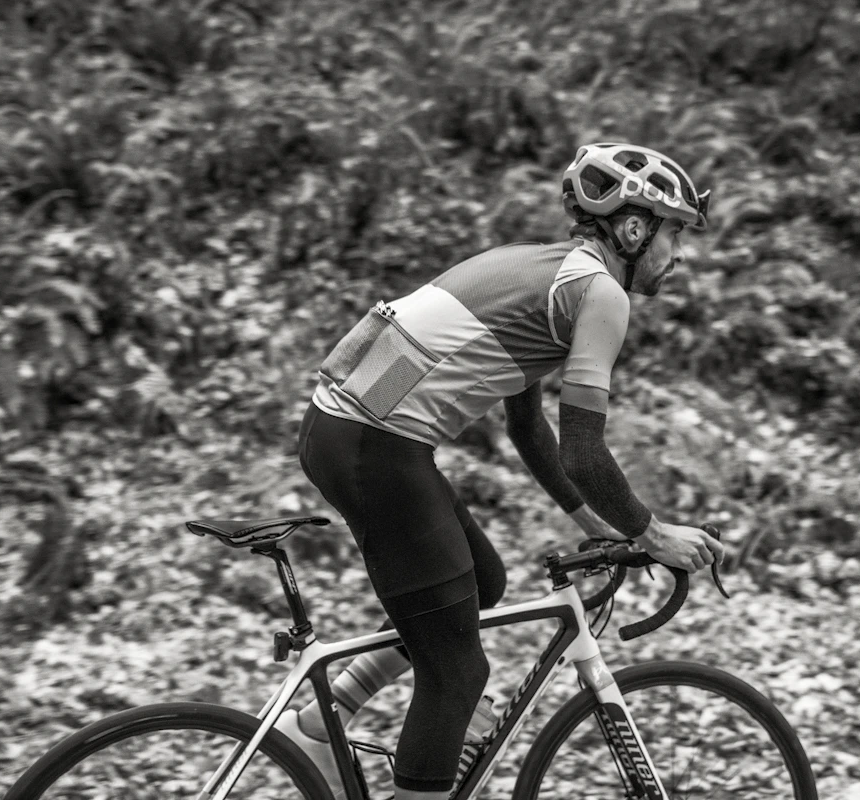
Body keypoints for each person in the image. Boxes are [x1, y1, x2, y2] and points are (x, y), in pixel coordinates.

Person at [278, 142, 726, 800]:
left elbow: (528, 429)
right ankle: (325, 735)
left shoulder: (540, 273)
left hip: (340, 429)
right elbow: (584, 449)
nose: (679, 254)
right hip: (377, 443)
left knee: (481, 584)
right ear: (634, 229)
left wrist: (593, 522)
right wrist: (654, 535)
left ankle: (321, 720)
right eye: (675, 234)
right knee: (457, 673)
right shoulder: (601, 296)